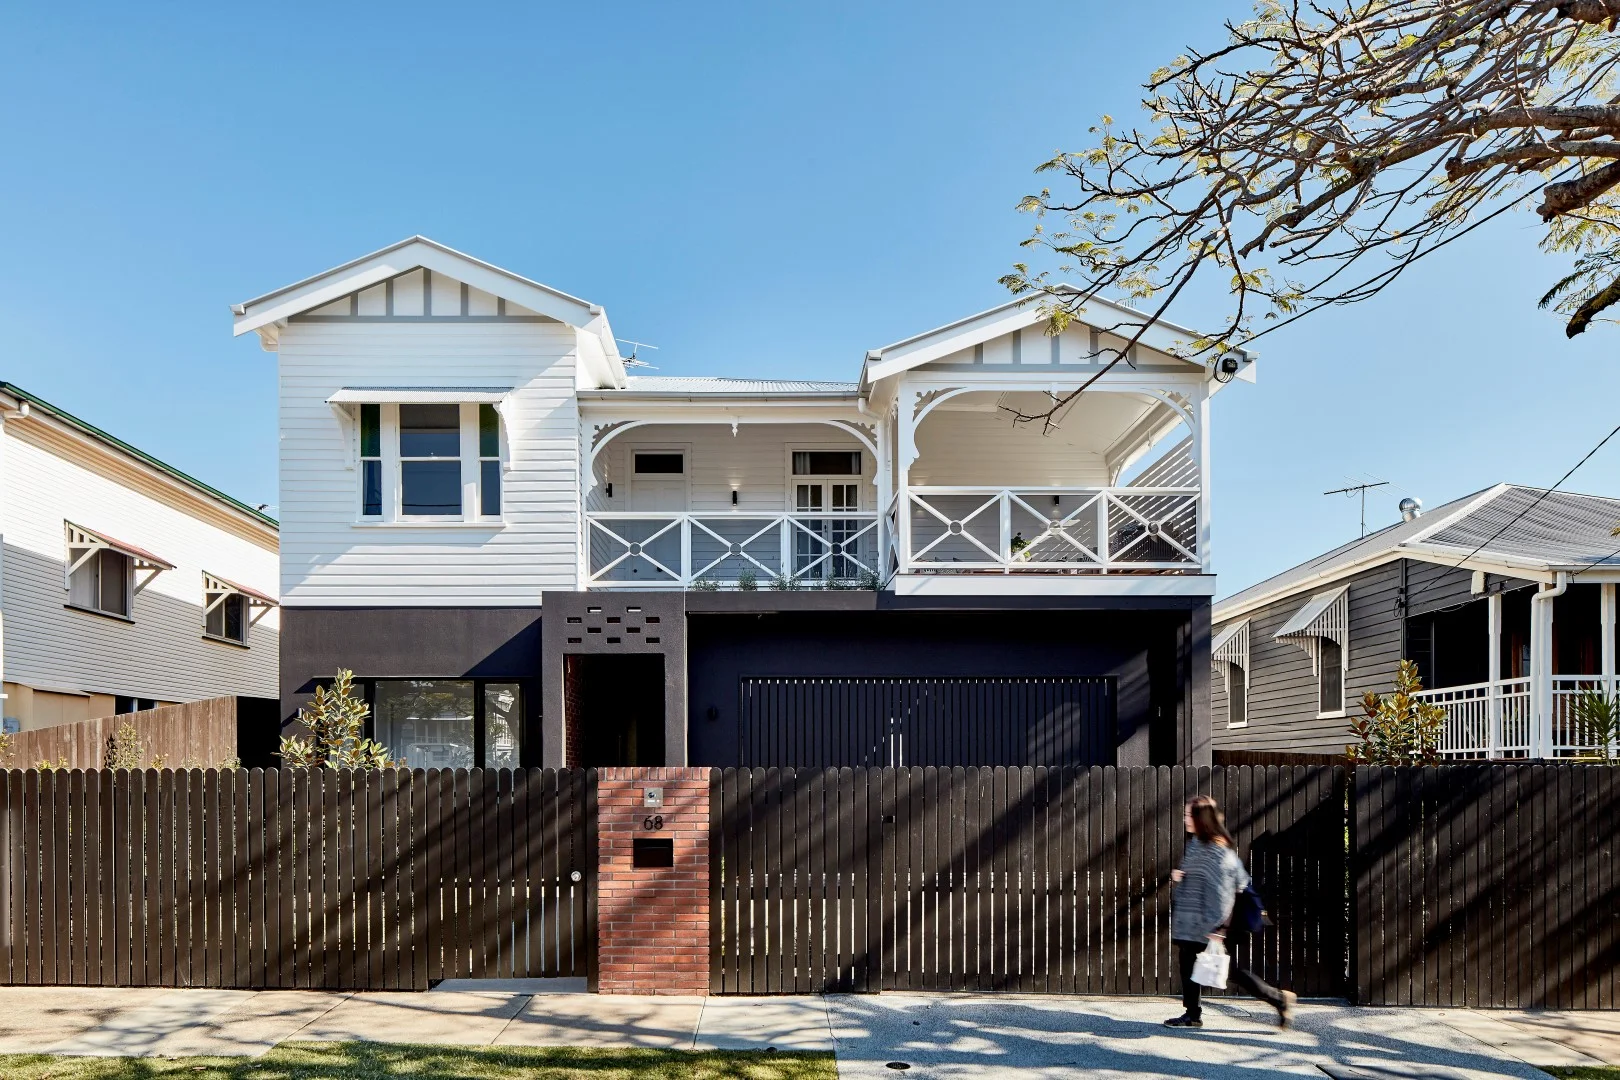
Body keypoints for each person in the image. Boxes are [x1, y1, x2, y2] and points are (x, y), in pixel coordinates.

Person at [1165, 794, 1296, 1029]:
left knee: (1231, 971)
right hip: (1194, 921)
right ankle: (1192, 1015)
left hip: (1210, 924)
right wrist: (1181, 876)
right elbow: (1200, 876)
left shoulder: (1216, 851)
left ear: (1201, 818)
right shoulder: (1197, 843)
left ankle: (1279, 998)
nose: (1185, 819)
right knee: (1188, 965)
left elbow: (1223, 890)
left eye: (1188, 815)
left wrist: (1218, 928)